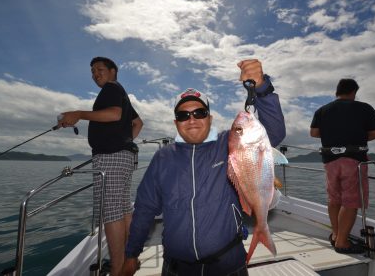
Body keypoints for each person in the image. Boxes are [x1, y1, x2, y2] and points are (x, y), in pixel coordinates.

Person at [121, 59, 285, 276]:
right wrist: (131, 254)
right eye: (183, 115)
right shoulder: (163, 158)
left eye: (199, 113)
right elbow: (144, 208)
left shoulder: (231, 144)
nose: (191, 119)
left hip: (228, 265)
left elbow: (273, 132)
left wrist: (262, 88)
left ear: (210, 118)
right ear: (175, 123)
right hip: (176, 269)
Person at [57, 56, 143, 276]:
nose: (95, 74)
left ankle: (117, 268)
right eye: (92, 71)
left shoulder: (111, 89)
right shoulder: (121, 92)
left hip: (110, 157)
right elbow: (137, 123)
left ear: (113, 71)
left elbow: (114, 115)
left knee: (111, 213)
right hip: (123, 156)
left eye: (100, 69)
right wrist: (125, 141)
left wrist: (78, 114)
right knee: (123, 208)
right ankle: (127, 258)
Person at [310, 78, 375, 254]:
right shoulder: (364, 108)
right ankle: (342, 243)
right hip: (354, 159)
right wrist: (356, 136)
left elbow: (314, 133)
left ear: (337, 91)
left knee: (334, 198)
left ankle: (336, 234)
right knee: (351, 201)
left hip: (330, 161)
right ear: (354, 92)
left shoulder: (322, 110)